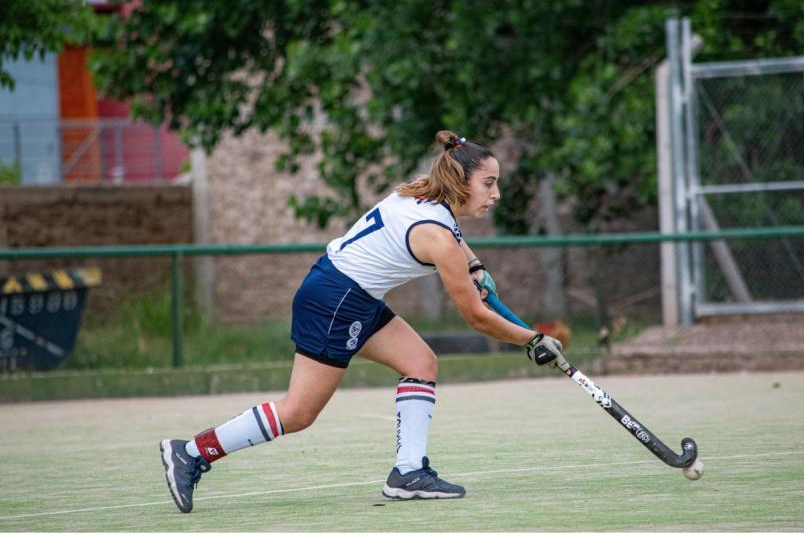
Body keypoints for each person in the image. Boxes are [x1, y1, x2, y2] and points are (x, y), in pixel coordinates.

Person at [160, 130, 564, 513]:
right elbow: (477, 317)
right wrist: (532, 340)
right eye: (489, 183)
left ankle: (408, 474)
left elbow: (454, 237)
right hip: (336, 302)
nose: (496, 194)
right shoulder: (436, 235)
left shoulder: (423, 192)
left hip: (349, 292)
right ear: (461, 182)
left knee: (420, 363)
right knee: (299, 412)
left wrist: (474, 265)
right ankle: (192, 452)